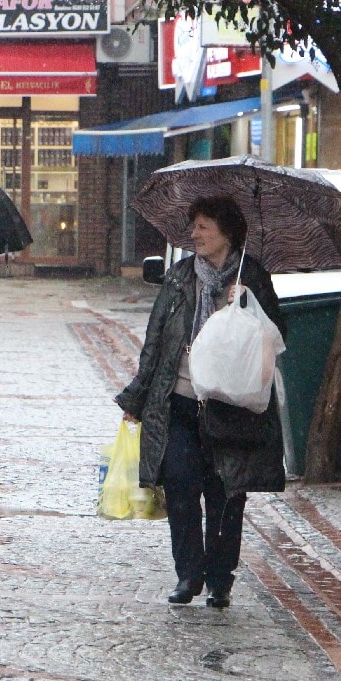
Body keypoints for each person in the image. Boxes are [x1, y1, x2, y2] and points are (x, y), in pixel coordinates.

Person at [114, 196, 286, 609]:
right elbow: (154, 342)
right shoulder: (178, 277)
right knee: (181, 484)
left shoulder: (253, 277)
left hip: (232, 406)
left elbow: (278, 335)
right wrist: (136, 396)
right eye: (194, 226)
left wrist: (246, 308)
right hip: (181, 401)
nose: (195, 235)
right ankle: (188, 573)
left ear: (226, 232)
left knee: (226, 493)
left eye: (203, 227)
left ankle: (220, 577)